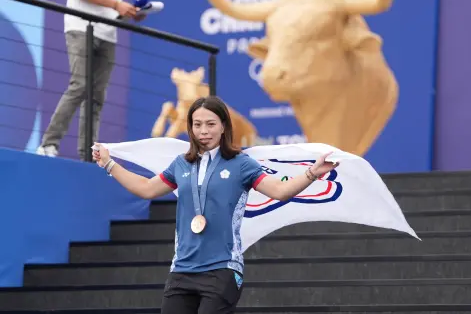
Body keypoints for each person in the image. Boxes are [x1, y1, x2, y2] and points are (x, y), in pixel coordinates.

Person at [92, 96, 339, 314]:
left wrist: (312, 173)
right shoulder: (181, 164)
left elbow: (280, 190)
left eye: (211, 124)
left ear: (223, 126)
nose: (204, 131)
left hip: (222, 270)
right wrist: (109, 164)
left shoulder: (242, 164)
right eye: (197, 125)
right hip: (181, 270)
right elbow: (146, 189)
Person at [37, 0, 144, 160]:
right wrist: (115, 5)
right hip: (80, 25)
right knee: (80, 85)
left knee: (97, 96)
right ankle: (48, 144)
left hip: (109, 31)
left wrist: (128, 13)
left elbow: (113, 0)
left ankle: (87, 155)